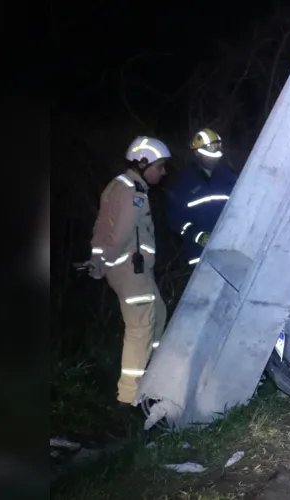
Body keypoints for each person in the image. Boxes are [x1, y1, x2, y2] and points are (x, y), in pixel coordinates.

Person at [87, 136, 170, 406]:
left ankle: (157, 372)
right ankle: (130, 398)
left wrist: (98, 259)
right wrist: (108, 259)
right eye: (160, 166)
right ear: (143, 163)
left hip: (130, 271)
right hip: (131, 272)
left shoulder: (115, 186)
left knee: (158, 312)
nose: (163, 172)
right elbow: (121, 233)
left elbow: (101, 226)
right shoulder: (134, 191)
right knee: (141, 329)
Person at [166, 128, 239, 266]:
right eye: (209, 156)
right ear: (197, 153)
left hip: (231, 252)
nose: (213, 159)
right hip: (200, 258)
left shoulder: (230, 179)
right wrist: (196, 234)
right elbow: (175, 220)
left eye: (216, 156)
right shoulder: (184, 184)